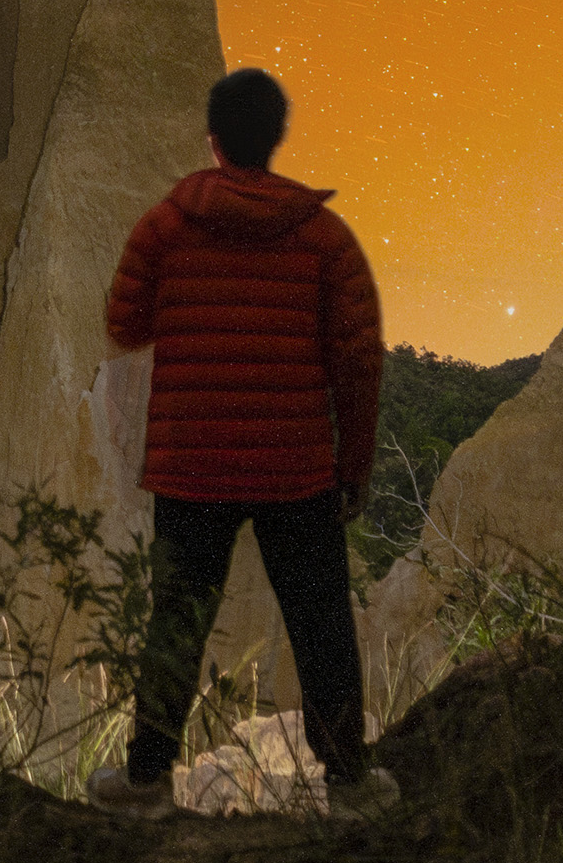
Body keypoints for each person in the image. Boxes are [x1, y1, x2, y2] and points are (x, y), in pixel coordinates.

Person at [99, 64, 385, 808]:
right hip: (296, 468)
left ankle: (146, 779)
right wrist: (352, 467)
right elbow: (356, 361)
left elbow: (124, 323)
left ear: (215, 141)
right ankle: (350, 781)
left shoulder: (165, 227)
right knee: (320, 623)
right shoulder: (325, 240)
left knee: (177, 623)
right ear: (276, 140)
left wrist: (193, 310)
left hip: (192, 466)